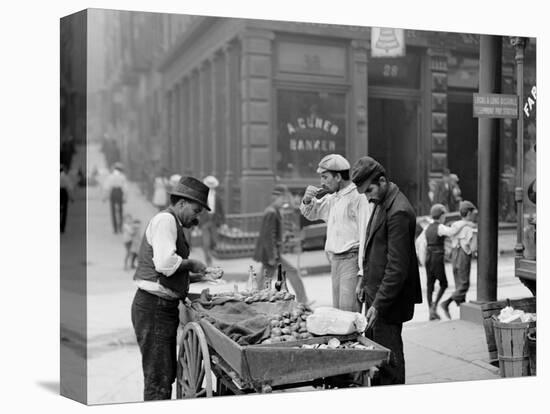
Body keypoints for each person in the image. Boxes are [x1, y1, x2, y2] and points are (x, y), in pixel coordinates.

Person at [131, 176, 221, 400]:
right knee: (158, 379)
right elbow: (164, 264)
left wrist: (200, 275)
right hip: (154, 308)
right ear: (181, 204)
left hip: (160, 307)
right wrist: (192, 263)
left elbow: (171, 273)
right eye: (196, 210)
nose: (196, 217)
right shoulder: (165, 221)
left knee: (164, 374)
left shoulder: (174, 223)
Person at [351, 156, 422, 385]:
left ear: (382, 181)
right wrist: (363, 278)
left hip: (387, 302)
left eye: (369, 190)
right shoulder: (383, 202)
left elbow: (397, 268)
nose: (368, 197)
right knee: (378, 359)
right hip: (377, 296)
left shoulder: (398, 211)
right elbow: (374, 245)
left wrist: (378, 305)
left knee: (389, 361)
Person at [300, 154, 371, 312]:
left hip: (351, 260)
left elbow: (365, 236)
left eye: (325, 177)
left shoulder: (358, 197)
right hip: (336, 261)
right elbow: (312, 213)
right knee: (338, 314)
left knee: (348, 315)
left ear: (338, 176)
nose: (322, 182)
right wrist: (306, 200)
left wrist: (362, 272)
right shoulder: (333, 198)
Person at [253, 184, 308, 304]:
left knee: (264, 279)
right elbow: (268, 236)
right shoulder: (272, 212)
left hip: (270, 253)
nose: (284, 201)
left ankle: (255, 300)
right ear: (275, 198)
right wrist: (272, 256)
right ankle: (303, 301)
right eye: (282, 198)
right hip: (271, 254)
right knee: (291, 272)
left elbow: (272, 234)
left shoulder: (274, 211)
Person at [423, 204, 475, 320]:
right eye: (444, 215)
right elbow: (452, 232)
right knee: (444, 284)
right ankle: (436, 305)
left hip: (428, 257)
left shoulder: (427, 227)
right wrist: (465, 223)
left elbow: (421, 242)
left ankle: (431, 310)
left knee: (429, 285)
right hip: (437, 257)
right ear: (441, 216)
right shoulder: (440, 227)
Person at [439, 200, 478, 319]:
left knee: (458, 284)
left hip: (454, 255)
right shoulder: (469, 228)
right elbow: (472, 247)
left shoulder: (455, 225)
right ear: (469, 213)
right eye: (473, 213)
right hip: (463, 255)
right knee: (464, 284)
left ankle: (462, 311)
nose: (474, 215)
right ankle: (446, 303)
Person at [200, 175, 225, 266]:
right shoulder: (202, 195)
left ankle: (210, 254)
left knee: (214, 242)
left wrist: (223, 222)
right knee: (206, 242)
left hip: (214, 220)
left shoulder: (217, 196)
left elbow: (221, 209)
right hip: (205, 221)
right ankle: (208, 260)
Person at [103, 162, 128, 234]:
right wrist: (125, 197)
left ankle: (115, 229)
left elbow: (107, 187)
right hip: (119, 192)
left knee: (113, 211)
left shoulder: (111, 176)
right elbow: (125, 188)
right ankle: (120, 228)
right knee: (120, 211)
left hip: (113, 192)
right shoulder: (122, 176)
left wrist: (105, 197)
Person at [60, 164, 74, 234]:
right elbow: (69, 187)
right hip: (63, 192)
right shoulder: (65, 176)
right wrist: (71, 197)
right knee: (64, 211)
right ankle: (62, 228)